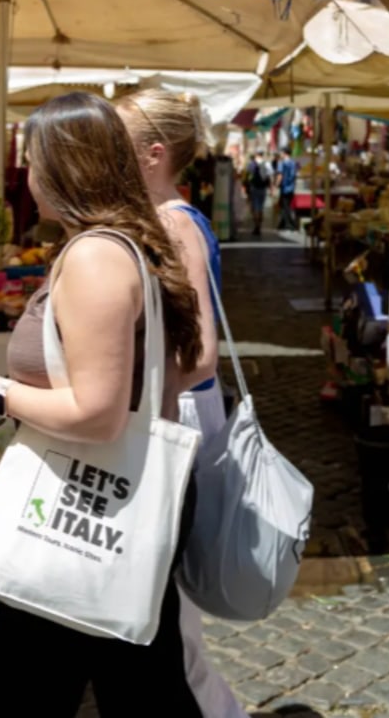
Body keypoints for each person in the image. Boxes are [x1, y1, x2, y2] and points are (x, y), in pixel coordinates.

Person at [0, 93, 208, 717]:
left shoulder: (95, 256)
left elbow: (98, 413)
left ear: (66, 167)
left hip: (86, 507)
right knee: (143, 688)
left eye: (34, 161)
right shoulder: (116, 246)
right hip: (112, 500)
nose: (28, 177)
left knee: (26, 692)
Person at [116, 88, 247, 718]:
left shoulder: (173, 223)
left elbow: (199, 354)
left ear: (153, 154)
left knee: (173, 610)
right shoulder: (162, 219)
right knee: (164, 603)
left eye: (118, 142)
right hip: (176, 410)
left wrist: (132, 399)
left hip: (179, 414)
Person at [244, 150, 270, 235]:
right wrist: (270, 187)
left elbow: (247, 176)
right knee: (261, 208)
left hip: (254, 188)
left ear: (256, 154)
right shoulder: (267, 164)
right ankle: (259, 226)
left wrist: (246, 188)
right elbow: (269, 176)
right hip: (263, 189)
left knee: (255, 208)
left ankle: (256, 226)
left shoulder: (251, 164)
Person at [276, 149, 299, 231]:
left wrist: (276, 185)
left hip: (284, 187)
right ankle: (282, 223)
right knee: (286, 205)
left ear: (285, 153)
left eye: (281, 153)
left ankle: (289, 224)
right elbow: (294, 175)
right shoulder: (293, 163)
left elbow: (280, 175)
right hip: (291, 187)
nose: (280, 154)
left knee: (285, 206)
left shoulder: (282, 163)